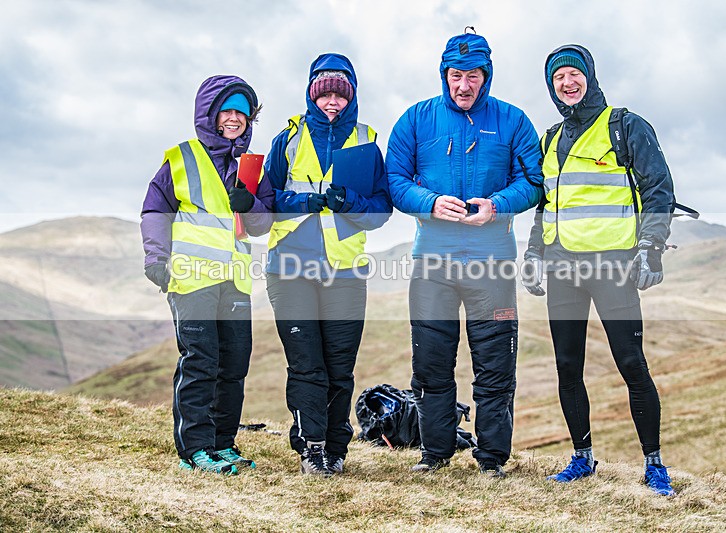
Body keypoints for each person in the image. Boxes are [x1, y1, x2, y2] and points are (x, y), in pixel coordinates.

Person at [386, 29, 543, 478]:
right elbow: (395, 179)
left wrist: (498, 205)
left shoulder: (513, 120)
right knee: (431, 363)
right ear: (444, 75)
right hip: (432, 263)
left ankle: (491, 459)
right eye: (456, 75)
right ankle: (434, 453)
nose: (464, 84)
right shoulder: (416, 120)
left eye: (473, 75)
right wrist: (430, 202)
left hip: (492, 263)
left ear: (486, 75)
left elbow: (533, 181)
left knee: (495, 364)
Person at [522, 44, 676, 496]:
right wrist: (533, 254)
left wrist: (651, 247)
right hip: (562, 267)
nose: (566, 83)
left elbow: (659, 189)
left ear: (589, 76)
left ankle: (654, 464)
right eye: (557, 78)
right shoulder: (550, 139)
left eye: (573, 74)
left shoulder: (625, 126)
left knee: (631, 363)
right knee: (567, 366)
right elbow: (546, 204)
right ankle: (582, 457)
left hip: (613, 265)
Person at [264, 53, 392, 476]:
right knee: (306, 364)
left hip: (345, 272)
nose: (332, 102)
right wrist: (304, 201)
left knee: (340, 368)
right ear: (311, 95)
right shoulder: (287, 140)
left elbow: (380, 210)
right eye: (324, 95)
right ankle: (311, 449)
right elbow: (265, 202)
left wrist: (348, 202)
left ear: (351, 97)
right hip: (290, 269)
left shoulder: (366, 140)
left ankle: (336, 449)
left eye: (340, 95)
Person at [140, 75, 274, 475]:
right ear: (209, 114)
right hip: (191, 278)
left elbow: (263, 224)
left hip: (234, 281)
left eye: (242, 113)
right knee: (200, 362)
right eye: (226, 111)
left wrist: (249, 203)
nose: (234, 119)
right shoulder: (181, 159)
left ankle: (223, 444)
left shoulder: (251, 167)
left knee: (233, 365)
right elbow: (155, 210)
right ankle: (195, 450)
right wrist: (156, 258)